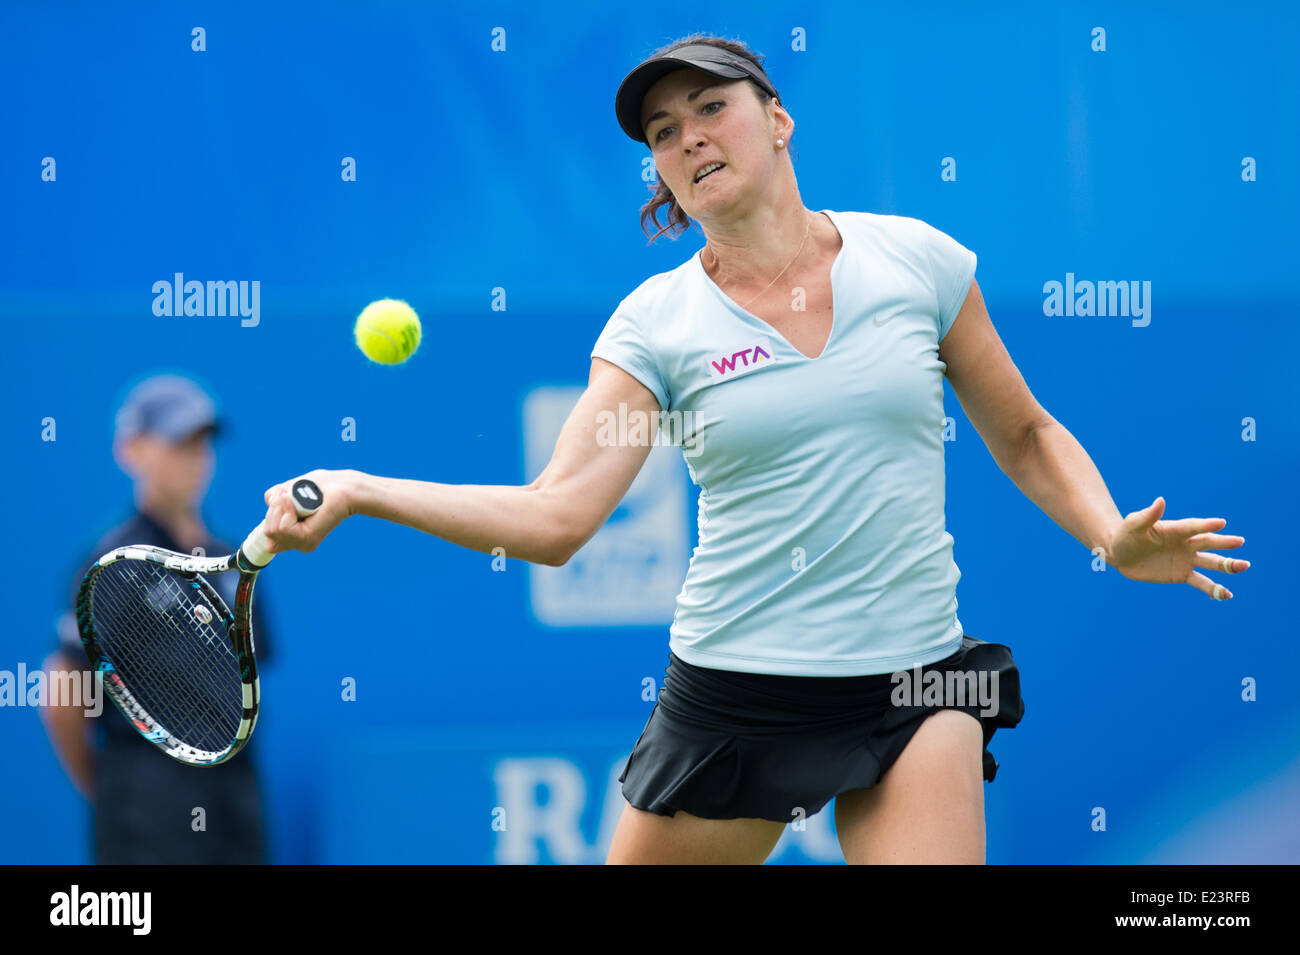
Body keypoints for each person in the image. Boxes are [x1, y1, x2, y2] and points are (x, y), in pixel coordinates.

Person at [253, 34, 1251, 864]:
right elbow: (555, 519)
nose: (687, 140)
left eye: (708, 109)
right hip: (736, 691)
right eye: (661, 133)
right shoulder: (654, 326)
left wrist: (1106, 532)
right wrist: (361, 487)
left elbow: (1026, 432)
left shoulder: (919, 263)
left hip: (913, 681)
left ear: (776, 118)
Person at [41, 374, 275, 864]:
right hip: (148, 799)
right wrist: (116, 792)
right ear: (131, 450)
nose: (193, 458)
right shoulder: (111, 561)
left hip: (236, 793)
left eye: (201, 443)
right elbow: (61, 692)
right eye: (176, 442)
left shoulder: (232, 559)